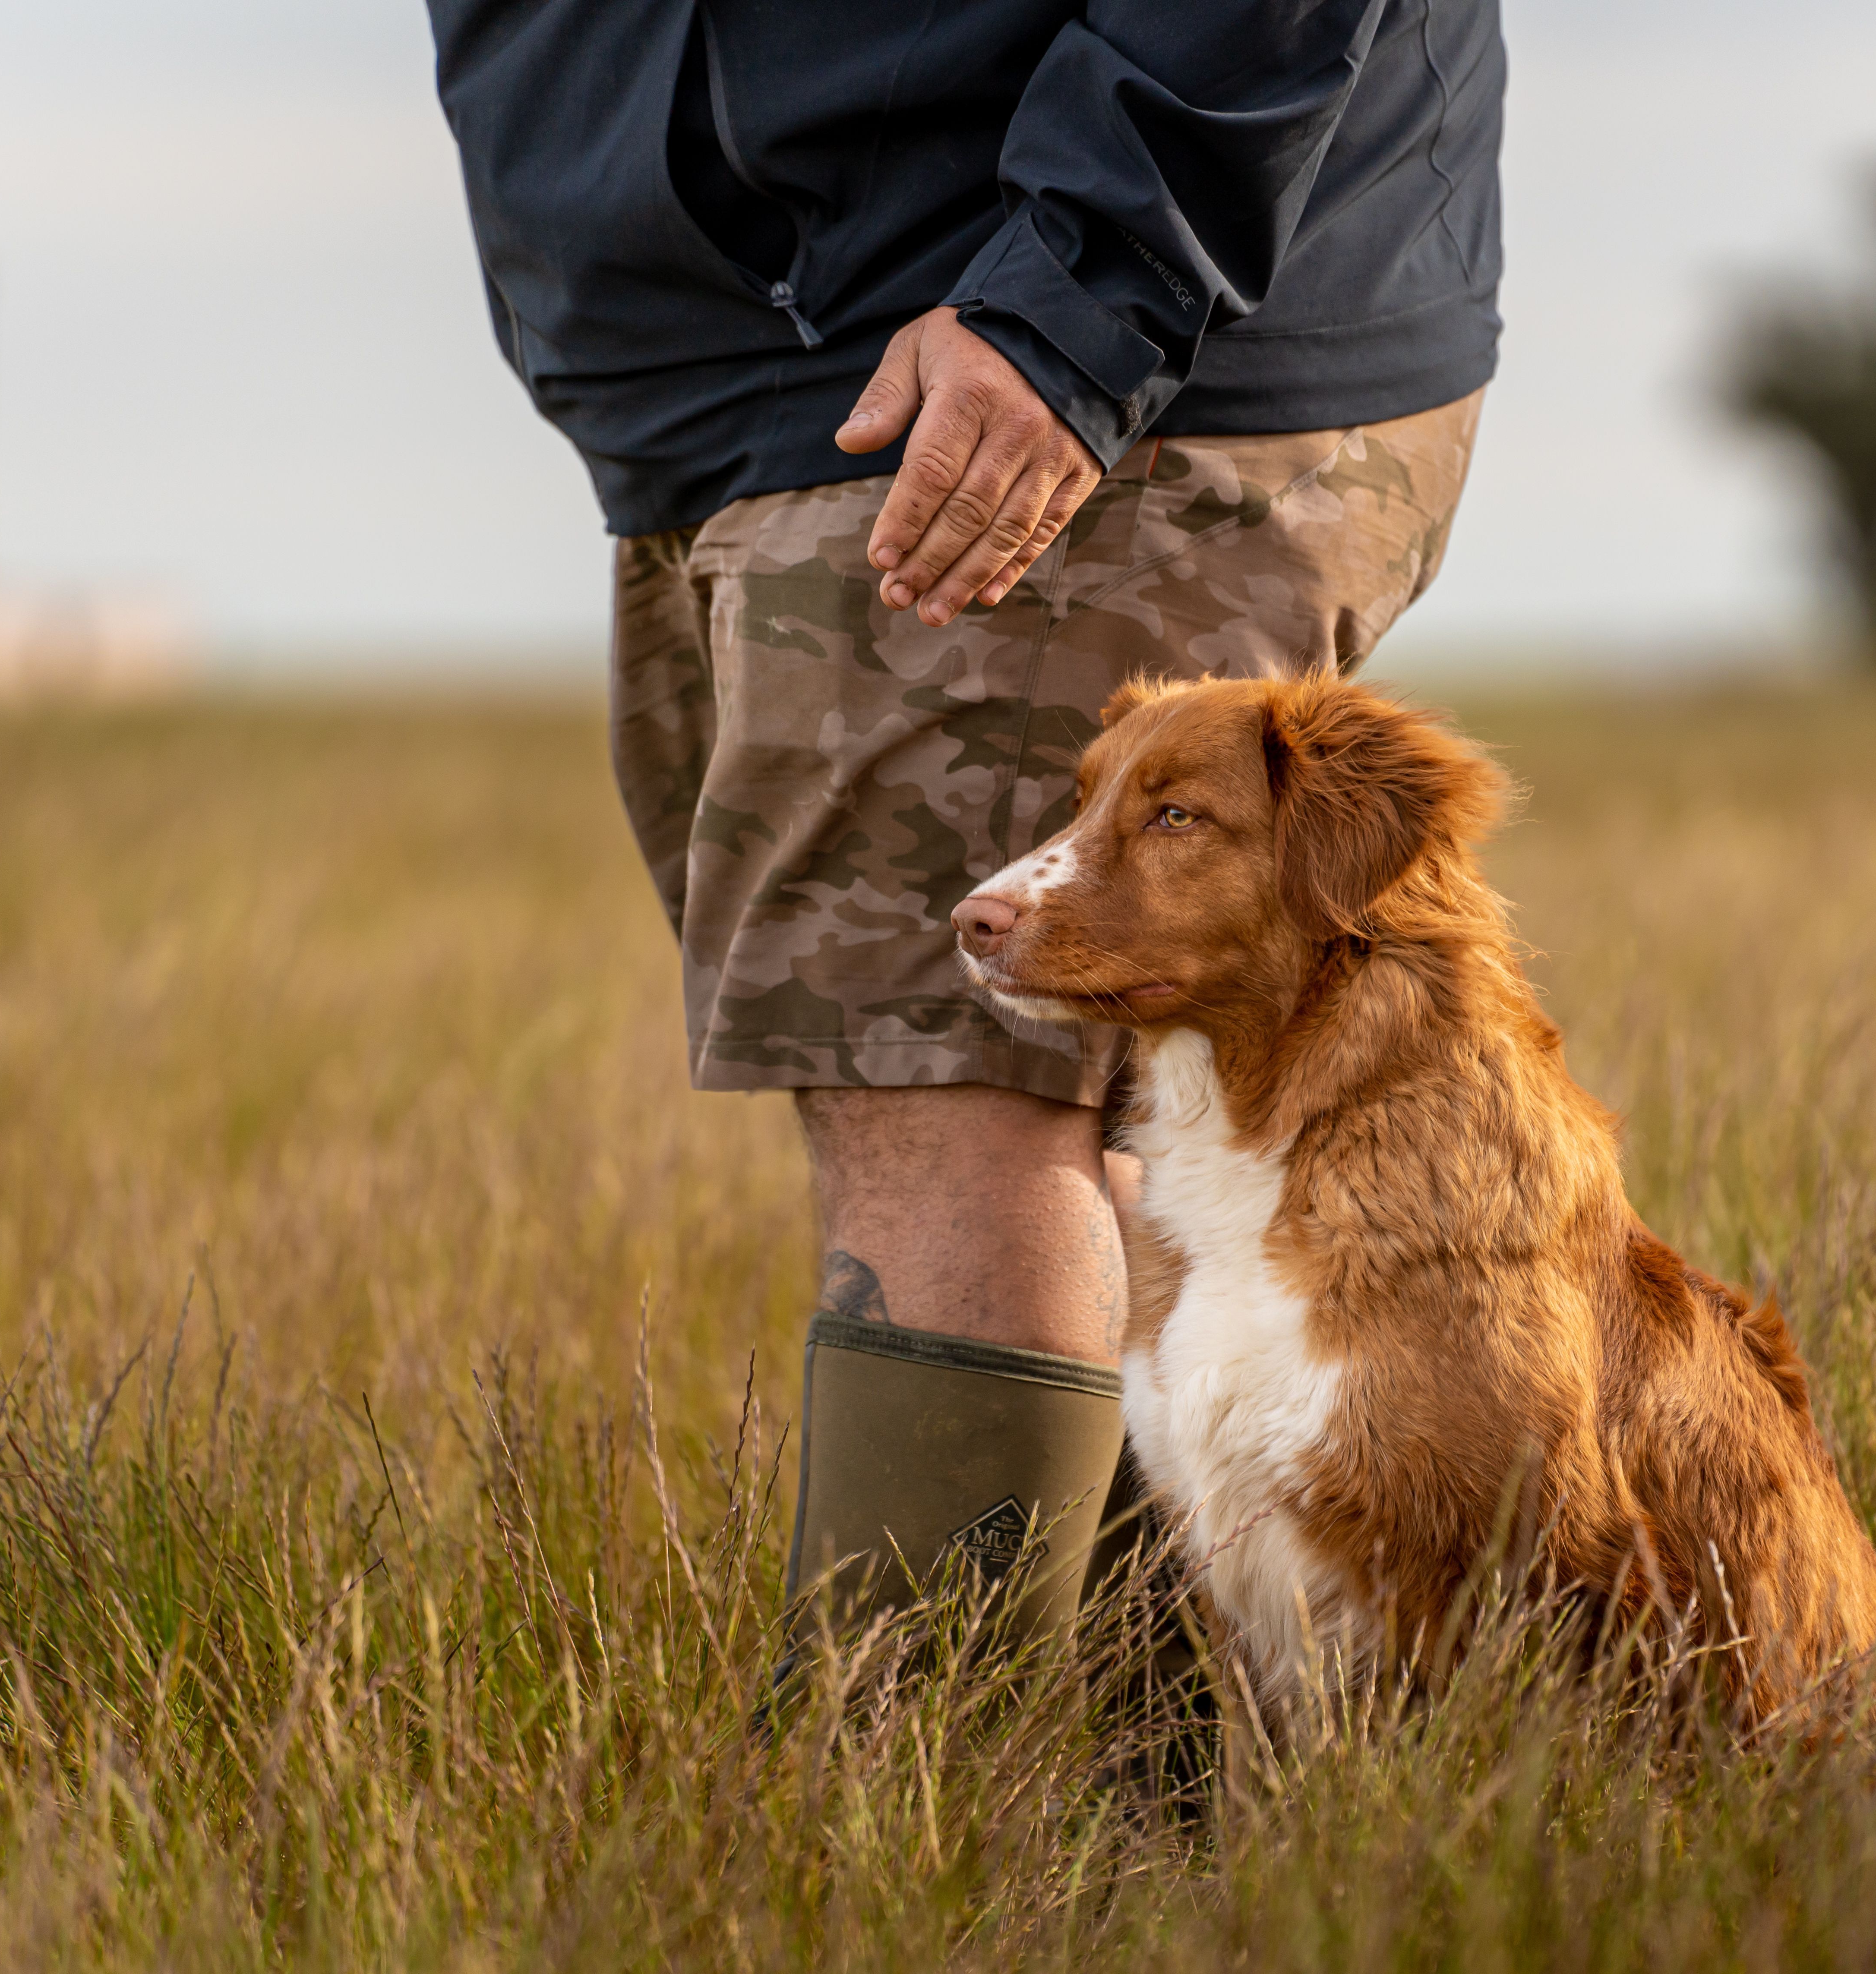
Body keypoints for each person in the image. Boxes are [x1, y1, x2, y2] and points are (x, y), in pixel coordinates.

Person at [426, 0, 1506, 1642]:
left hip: (1029, 321)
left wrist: (1079, 288)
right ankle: (1148, 1836)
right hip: (719, 383)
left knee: (955, 1109)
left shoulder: (1054, 305)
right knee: (1061, 1128)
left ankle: (904, 1838)